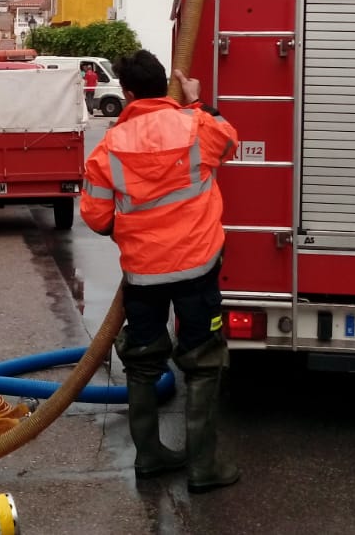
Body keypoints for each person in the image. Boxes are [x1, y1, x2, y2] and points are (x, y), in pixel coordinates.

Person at [79, 49, 241, 493]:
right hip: (198, 269)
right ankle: (204, 468)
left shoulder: (110, 144)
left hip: (144, 275)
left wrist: (131, 231)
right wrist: (198, 102)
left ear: (128, 93)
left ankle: (150, 457)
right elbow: (230, 142)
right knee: (203, 361)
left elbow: (95, 217)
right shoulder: (195, 123)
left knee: (144, 362)